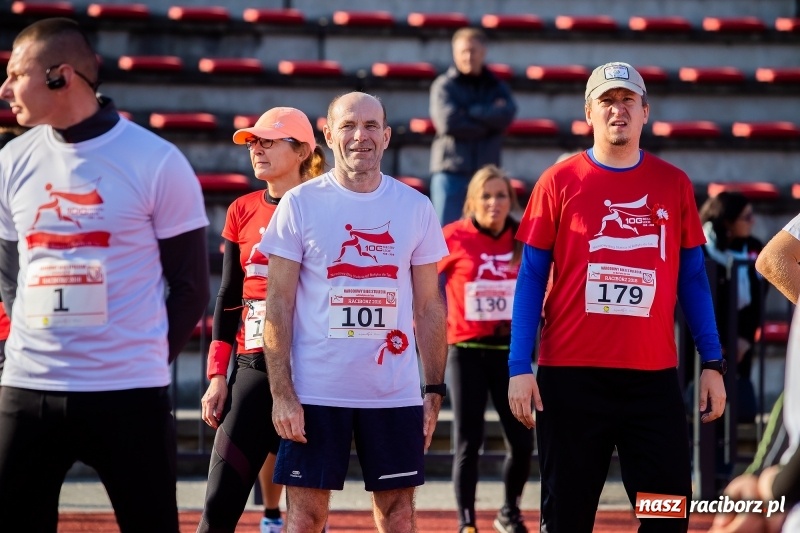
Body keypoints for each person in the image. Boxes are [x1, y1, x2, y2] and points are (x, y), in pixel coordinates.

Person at [0, 18, 210, 532]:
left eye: (15, 74)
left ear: (59, 76)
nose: (5, 90)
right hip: (28, 389)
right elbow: (10, 273)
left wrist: (141, 360)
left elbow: (190, 288)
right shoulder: (10, 160)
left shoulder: (157, 161)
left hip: (128, 393)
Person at [507, 62, 727, 533]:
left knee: (666, 515)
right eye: (607, 100)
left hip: (652, 381)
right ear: (589, 112)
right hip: (570, 379)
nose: (618, 109)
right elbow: (529, 278)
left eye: (628, 100)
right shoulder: (558, 181)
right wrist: (518, 367)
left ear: (646, 111)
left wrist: (712, 362)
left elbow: (692, 278)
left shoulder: (674, 183)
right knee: (567, 519)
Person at [258, 91, 448, 532]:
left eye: (369, 126)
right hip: (315, 393)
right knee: (306, 516)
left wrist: (433, 390)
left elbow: (428, 305)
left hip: (393, 393)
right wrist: (282, 393)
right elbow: (278, 303)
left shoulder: (416, 207)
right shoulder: (299, 204)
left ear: (385, 136)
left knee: (398, 513)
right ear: (328, 135)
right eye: (347, 125)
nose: (359, 136)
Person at [196, 107, 327, 533]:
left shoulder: (328, 206)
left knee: (307, 519)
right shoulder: (241, 208)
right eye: (253, 142)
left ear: (303, 149)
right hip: (253, 366)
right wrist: (218, 376)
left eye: (268, 141)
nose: (256, 149)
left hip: (314, 373)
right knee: (217, 508)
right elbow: (228, 295)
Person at [437, 164, 533, 533]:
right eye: (486, 196)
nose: (495, 203)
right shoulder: (454, 236)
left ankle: (508, 511)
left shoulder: (523, 238)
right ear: (472, 201)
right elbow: (424, 282)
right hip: (466, 351)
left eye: (502, 195)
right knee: (468, 441)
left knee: (523, 442)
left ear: (511, 200)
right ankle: (467, 524)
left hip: (512, 355)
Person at [429, 27, 517, 227]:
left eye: (473, 51)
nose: (468, 56)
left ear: (483, 52)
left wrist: (469, 112)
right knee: (445, 235)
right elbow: (448, 123)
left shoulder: (497, 85)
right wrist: (488, 120)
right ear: (454, 53)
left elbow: (507, 116)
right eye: (463, 51)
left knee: (484, 234)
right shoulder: (443, 86)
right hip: (451, 172)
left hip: (486, 174)